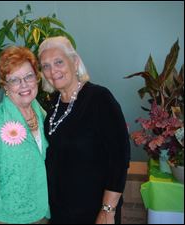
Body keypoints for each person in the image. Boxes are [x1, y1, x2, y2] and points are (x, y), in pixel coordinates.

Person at [38, 36, 131, 224]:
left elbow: (119, 159)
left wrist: (107, 210)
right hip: (60, 210)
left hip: (94, 210)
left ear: (75, 62)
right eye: (46, 66)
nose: (52, 71)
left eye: (58, 62)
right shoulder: (53, 104)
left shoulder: (100, 99)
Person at [0, 46, 49, 224]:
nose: (24, 84)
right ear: (5, 85)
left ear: (36, 78)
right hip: (10, 218)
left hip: (43, 212)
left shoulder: (43, 115)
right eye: (14, 80)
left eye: (29, 76)